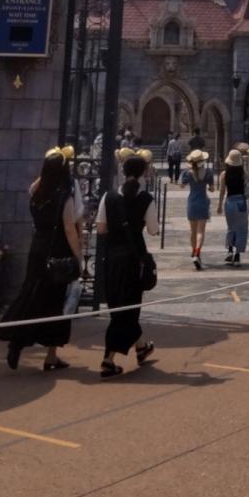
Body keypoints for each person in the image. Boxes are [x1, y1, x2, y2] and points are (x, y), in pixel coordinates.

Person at [0, 148, 81, 372]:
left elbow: (37, 183)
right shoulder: (64, 196)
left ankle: (17, 341)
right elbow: (69, 229)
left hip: (38, 248)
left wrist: (49, 167)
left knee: (31, 293)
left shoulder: (36, 191)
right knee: (55, 302)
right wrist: (78, 256)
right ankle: (51, 354)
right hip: (58, 251)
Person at [95, 152, 158, 377]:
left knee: (119, 307)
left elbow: (101, 228)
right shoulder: (146, 199)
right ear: (144, 173)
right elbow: (153, 230)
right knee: (127, 309)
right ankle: (108, 360)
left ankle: (141, 348)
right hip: (133, 259)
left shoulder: (109, 197)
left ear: (123, 171)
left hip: (112, 257)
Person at [180, 148, 214, 269]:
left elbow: (182, 185)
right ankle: (197, 253)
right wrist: (208, 187)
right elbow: (212, 189)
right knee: (201, 231)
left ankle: (193, 251)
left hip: (192, 202)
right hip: (203, 202)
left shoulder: (187, 172)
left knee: (192, 231)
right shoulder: (208, 172)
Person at [217, 148, 249, 265]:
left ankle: (230, 250)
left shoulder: (224, 174)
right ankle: (237, 255)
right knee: (241, 228)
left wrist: (219, 205)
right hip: (241, 202)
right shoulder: (243, 173)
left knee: (231, 227)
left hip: (230, 202)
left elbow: (222, 191)